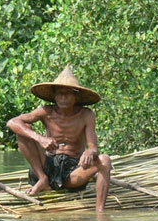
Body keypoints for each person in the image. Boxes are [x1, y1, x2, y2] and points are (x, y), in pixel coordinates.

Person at [6, 65, 112, 212]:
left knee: (105, 160)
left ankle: (100, 211)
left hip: (72, 171)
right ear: (54, 96)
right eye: (60, 94)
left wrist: (90, 152)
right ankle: (42, 179)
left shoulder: (86, 115)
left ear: (76, 96)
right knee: (24, 132)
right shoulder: (46, 112)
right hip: (47, 167)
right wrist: (40, 138)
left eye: (67, 94)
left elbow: (93, 147)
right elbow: (12, 122)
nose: (63, 97)